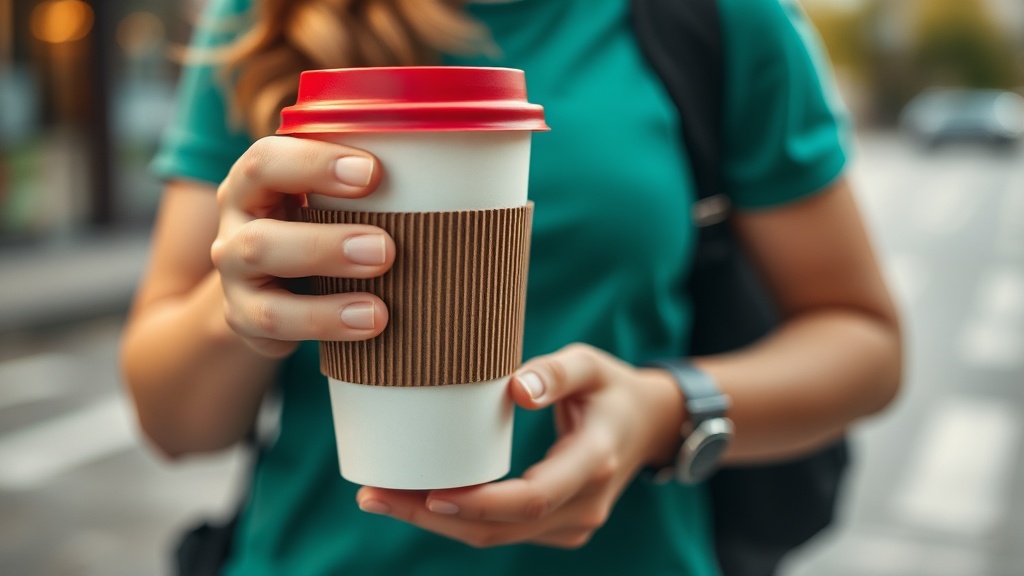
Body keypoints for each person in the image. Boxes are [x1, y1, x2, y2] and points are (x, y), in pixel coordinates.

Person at [120, 0, 903, 574]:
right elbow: (174, 424)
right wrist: (242, 313)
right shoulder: (263, 22)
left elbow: (866, 342)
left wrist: (664, 412)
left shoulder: (718, 19)